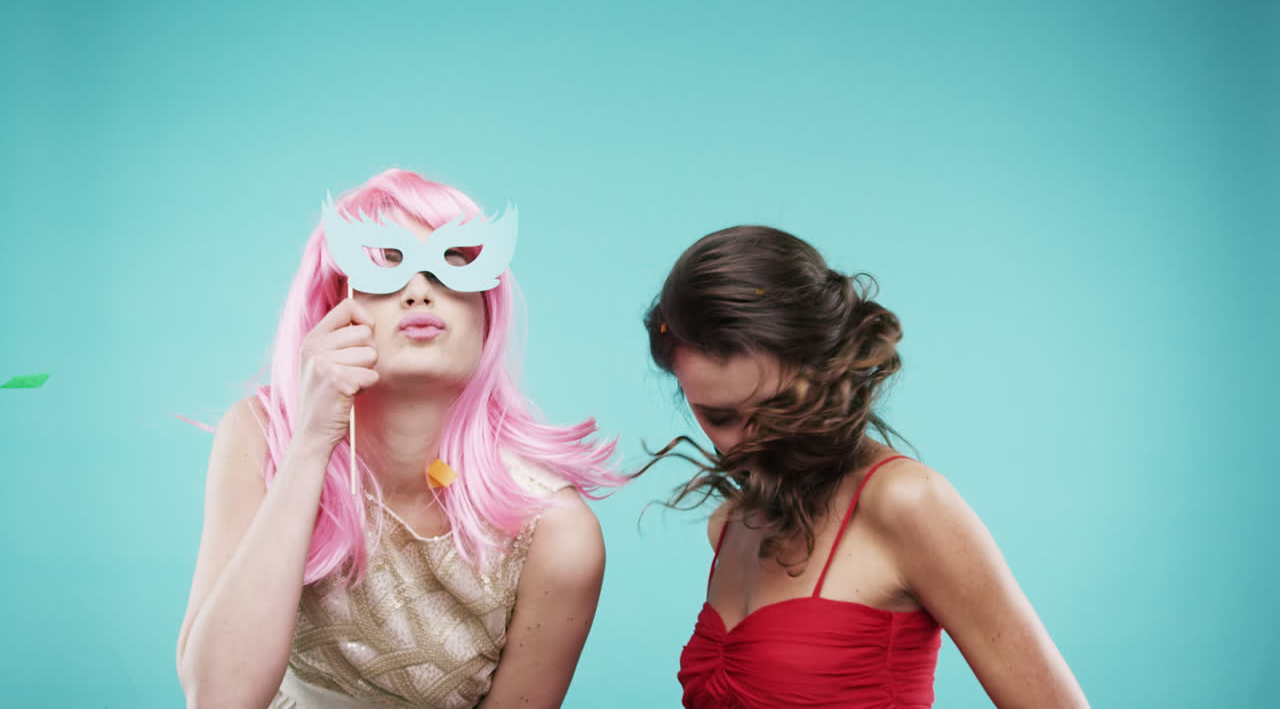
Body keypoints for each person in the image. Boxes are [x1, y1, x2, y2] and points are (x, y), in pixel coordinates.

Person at [176, 169, 624, 708]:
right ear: (332, 305)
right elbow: (218, 699)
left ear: (488, 309)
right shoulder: (260, 437)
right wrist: (312, 442)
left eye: (454, 263)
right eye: (383, 264)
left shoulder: (555, 533)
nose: (418, 290)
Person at [642, 225, 1089, 708]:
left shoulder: (908, 502)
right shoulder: (731, 523)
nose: (751, 440)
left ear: (821, 370)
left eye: (776, 406)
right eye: (718, 417)